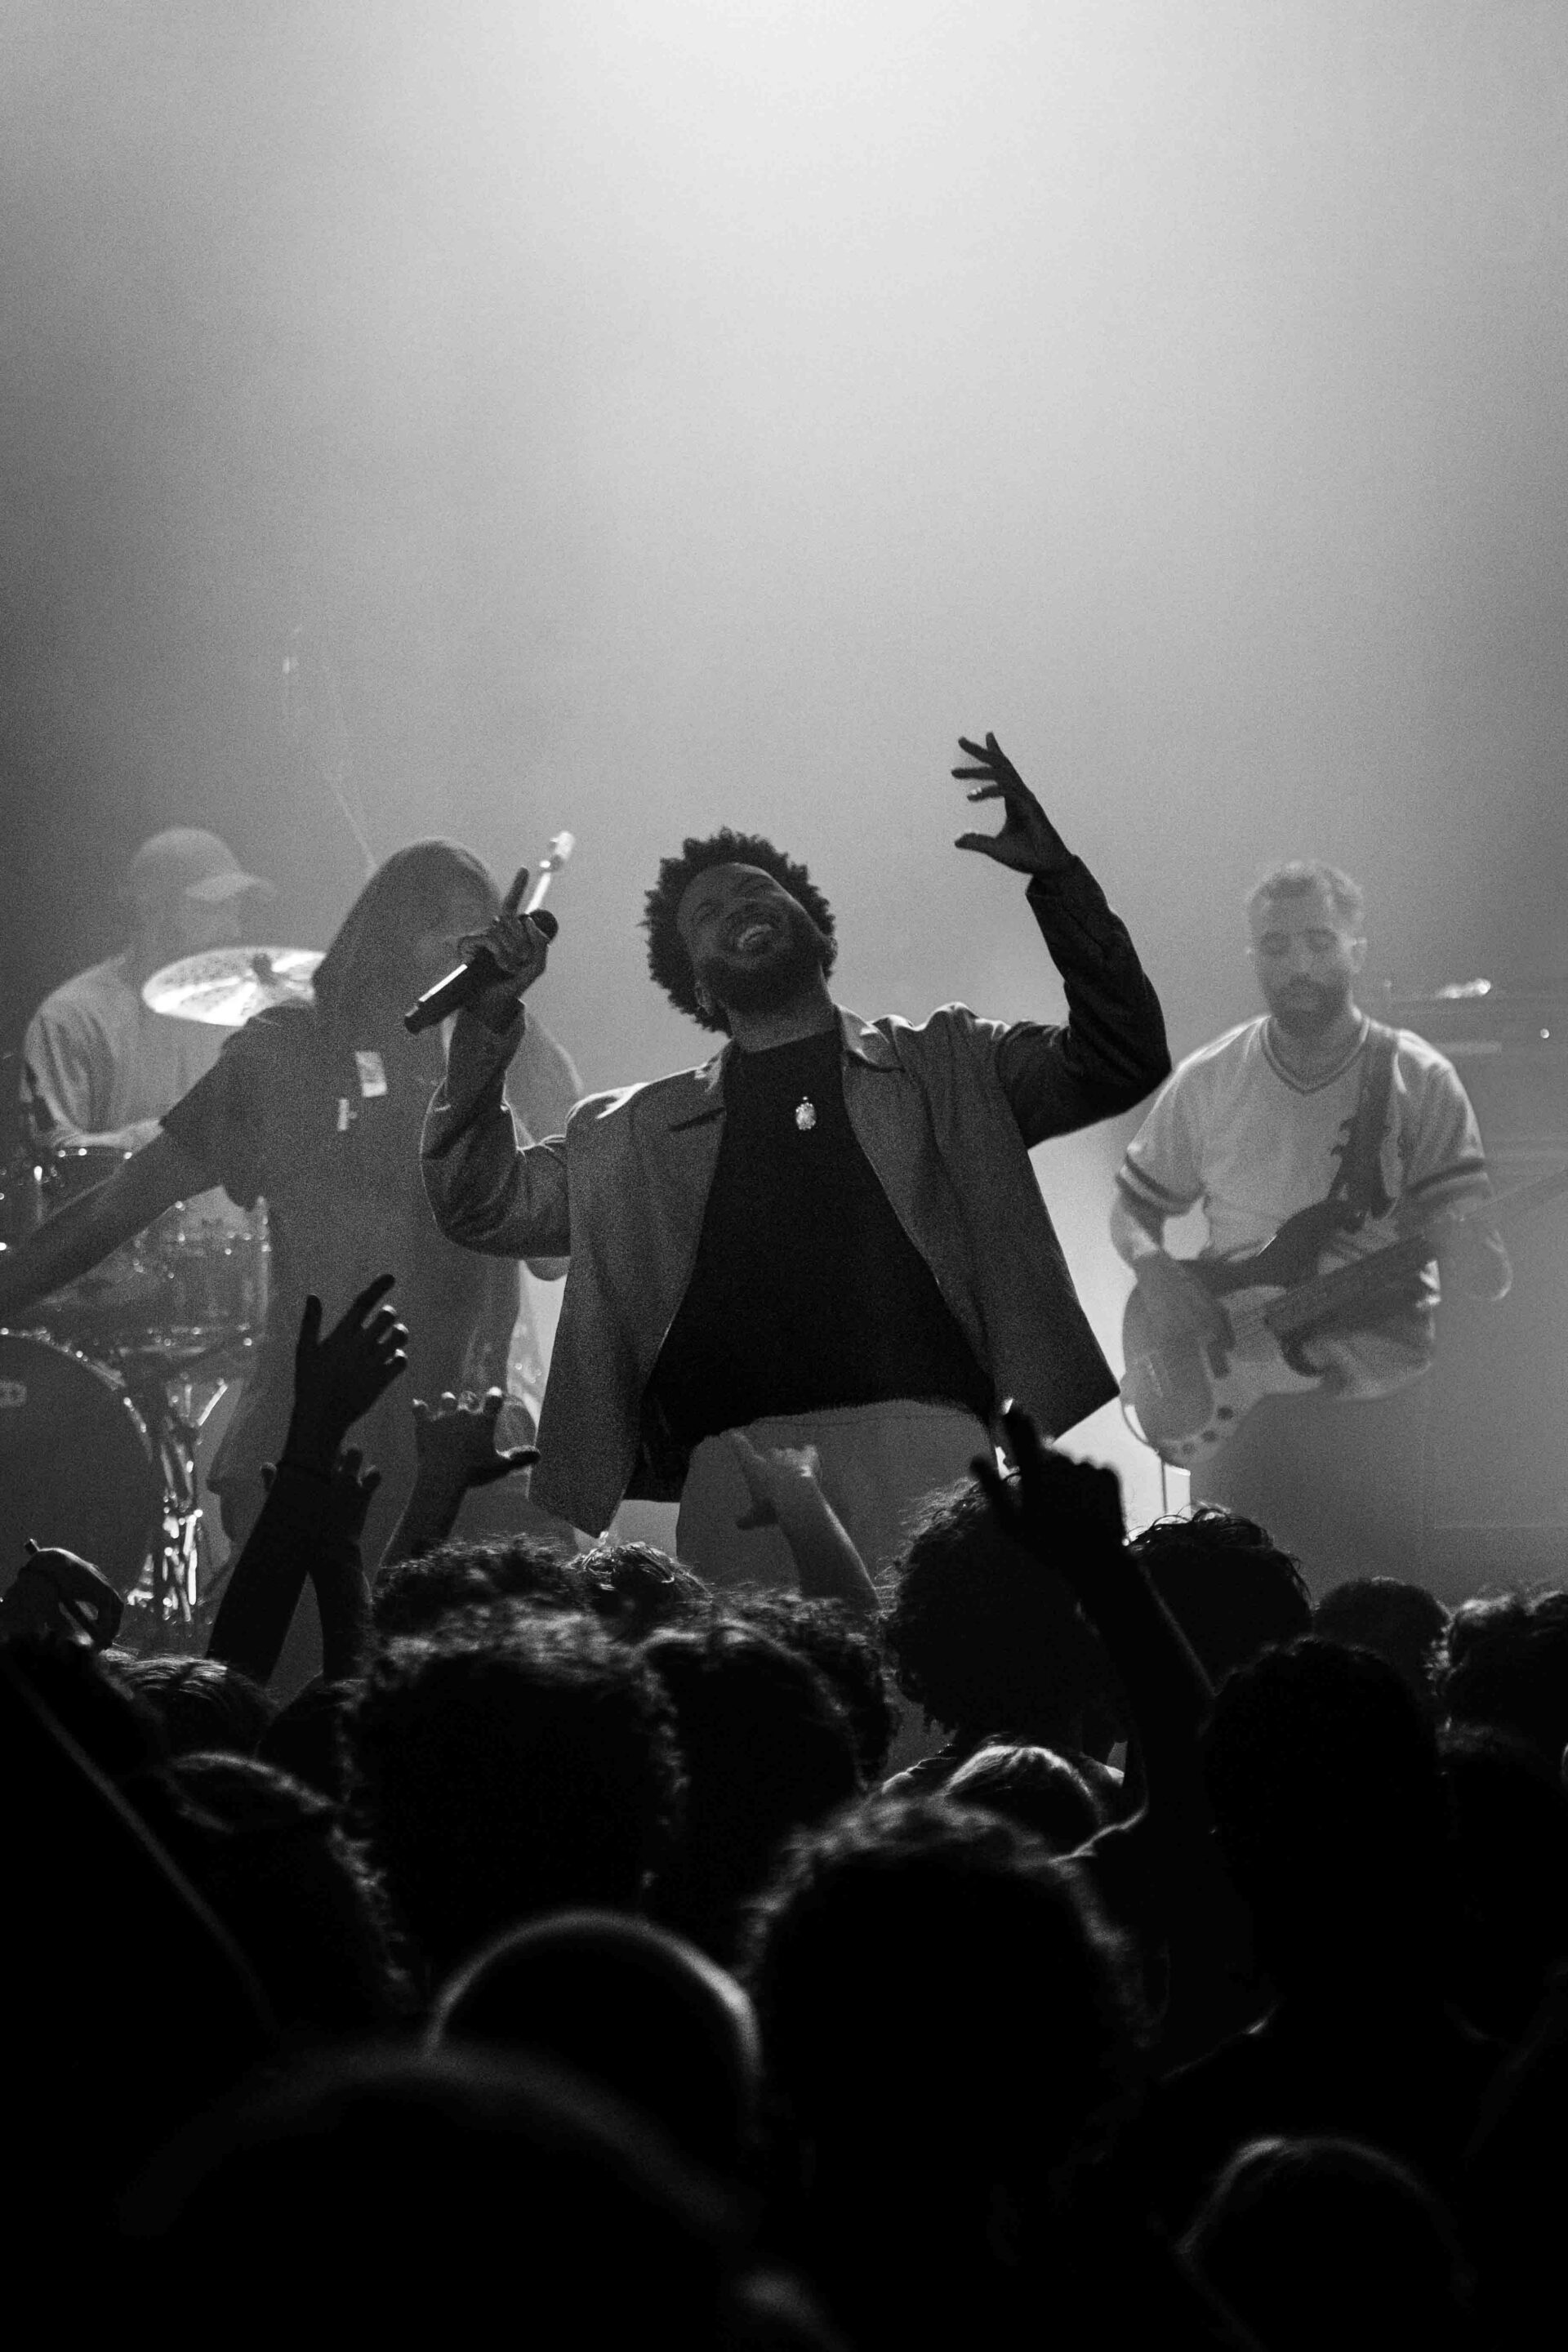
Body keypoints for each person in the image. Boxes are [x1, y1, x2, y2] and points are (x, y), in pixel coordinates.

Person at [422, 733, 1169, 1577]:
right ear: (698, 984)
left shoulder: (947, 1063)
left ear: (815, 925)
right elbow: (480, 1203)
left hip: (930, 1452)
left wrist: (1059, 881)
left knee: (938, 1661)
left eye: (758, 890)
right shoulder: (631, 1134)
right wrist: (487, 1020)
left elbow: (1120, 1059)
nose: (739, 905)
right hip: (739, 1475)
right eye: (707, 914)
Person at [0, 841, 581, 1561]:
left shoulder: (495, 1050)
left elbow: (556, 1250)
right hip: (317, 1450)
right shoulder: (293, 1054)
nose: (467, 944)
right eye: (444, 924)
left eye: (480, 926)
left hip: (466, 1451)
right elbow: (120, 1204)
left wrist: (511, 1012)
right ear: (389, 931)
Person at [1111, 859, 1510, 1588]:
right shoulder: (1210, 1077)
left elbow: (1481, 1268)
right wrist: (1154, 1269)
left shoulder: (1419, 1078)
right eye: (1276, 946)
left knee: (1371, 1610)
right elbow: (1133, 1208)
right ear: (1253, 957)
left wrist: (1475, 1256)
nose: (1297, 965)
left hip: (1376, 1397)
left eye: (1319, 942)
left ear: (1358, 949)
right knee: (1230, 1611)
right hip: (1236, 1399)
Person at [21, 826, 274, 1153]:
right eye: (212, 910)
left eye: (235, 910)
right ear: (151, 910)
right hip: (128, 1190)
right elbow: (57, 1155)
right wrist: (165, 1138)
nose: (233, 930)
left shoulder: (248, 1013)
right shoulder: (73, 1017)